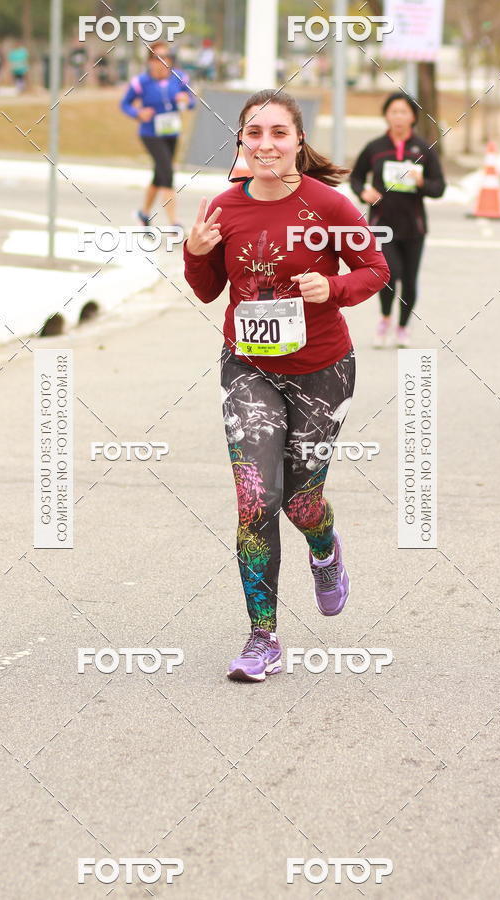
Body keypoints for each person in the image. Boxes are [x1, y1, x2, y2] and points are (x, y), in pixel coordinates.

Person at [182, 89, 390, 682]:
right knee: (256, 499)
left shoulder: (328, 205)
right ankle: (262, 639)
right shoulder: (223, 208)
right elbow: (207, 290)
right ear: (240, 141)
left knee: (300, 502)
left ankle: (324, 548)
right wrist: (195, 253)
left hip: (323, 370)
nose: (266, 144)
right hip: (248, 367)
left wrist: (334, 289)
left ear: (299, 140)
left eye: (279, 133)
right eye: (254, 133)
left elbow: (376, 270)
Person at [350, 92, 445, 348]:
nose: (398, 117)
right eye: (393, 112)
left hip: (414, 226)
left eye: (404, 112)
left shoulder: (423, 149)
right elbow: (356, 177)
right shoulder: (375, 147)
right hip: (382, 226)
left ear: (413, 117)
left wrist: (422, 182)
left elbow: (439, 187)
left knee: (409, 280)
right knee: (389, 274)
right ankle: (384, 319)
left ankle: (403, 327)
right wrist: (363, 192)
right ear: (386, 116)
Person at [119, 41, 196, 228]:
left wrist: (186, 100)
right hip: (150, 133)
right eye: (157, 57)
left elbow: (192, 102)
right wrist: (138, 113)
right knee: (167, 173)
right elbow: (124, 104)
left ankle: (143, 214)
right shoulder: (141, 82)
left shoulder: (179, 78)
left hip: (172, 132)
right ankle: (173, 223)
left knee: (159, 175)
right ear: (149, 61)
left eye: (166, 57)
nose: (162, 61)